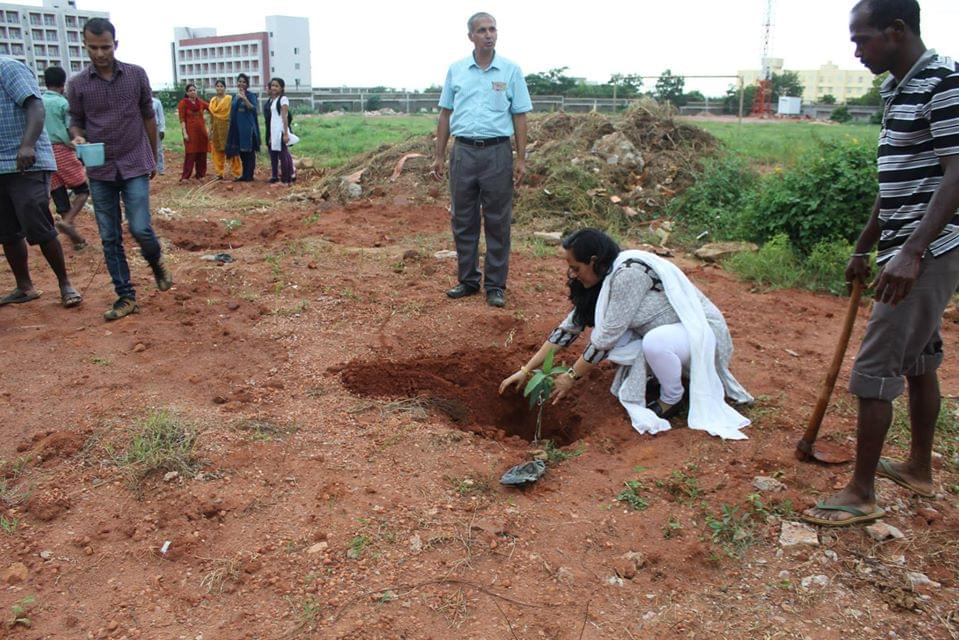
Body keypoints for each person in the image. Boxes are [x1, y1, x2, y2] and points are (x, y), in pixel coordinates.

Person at [803, 0, 959, 527]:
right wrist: (865, 243)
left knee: (875, 368)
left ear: (896, 30)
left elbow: (957, 172)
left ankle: (861, 493)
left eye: (861, 38)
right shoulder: (898, 87)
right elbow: (896, 176)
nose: (856, 51)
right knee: (920, 360)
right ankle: (918, 468)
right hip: (905, 244)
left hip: (929, 248)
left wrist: (912, 251)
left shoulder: (943, 82)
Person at [499, 228, 753, 439]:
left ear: (593, 261)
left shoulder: (628, 275)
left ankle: (672, 398)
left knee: (654, 343)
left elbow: (606, 339)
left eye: (576, 268)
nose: (572, 275)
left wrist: (570, 377)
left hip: (702, 336)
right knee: (652, 342)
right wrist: (526, 370)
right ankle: (668, 380)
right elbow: (568, 329)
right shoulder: (602, 280)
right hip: (677, 340)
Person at [68, 17, 172, 321]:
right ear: (85, 45)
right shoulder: (78, 84)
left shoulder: (136, 75)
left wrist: (152, 156)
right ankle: (126, 296)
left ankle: (155, 261)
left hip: (134, 162)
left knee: (140, 227)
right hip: (100, 169)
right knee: (110, 236)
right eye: (93, 47)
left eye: (105, 47)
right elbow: (76, 121)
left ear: (115, 44)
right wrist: (78, 136)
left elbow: (148, 116)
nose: (100, 53)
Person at [431, 12, 532, 308]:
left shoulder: (510, 70)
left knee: (498, 221)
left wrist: (521, 158)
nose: (489, 35)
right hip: (463, 152)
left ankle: (495, 285)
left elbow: (520, 116)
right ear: (471, 36)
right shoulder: (457, 70)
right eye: (482, 30)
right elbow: (445, 114)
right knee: (463, 218)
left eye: (492, 29)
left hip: (497, 153)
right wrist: (439, 155)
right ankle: (468, 280)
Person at [0, 56, 82, 308]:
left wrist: (27, 145)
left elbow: (35, 107)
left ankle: (65, 284)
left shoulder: (8, 68)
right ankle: (24, 287)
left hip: (26, 161)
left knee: (38, 223)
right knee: (7, 230)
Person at [41, 65, 89, 250]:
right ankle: (68, 221)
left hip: (44, 154)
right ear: (63, 85)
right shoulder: (62, 103)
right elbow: (71, 129)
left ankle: (77, 240)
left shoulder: (38, 102)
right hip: (62, 150)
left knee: (59, 195)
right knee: (82, 190)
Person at [225, 73, 260, 182]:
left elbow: (253, 109)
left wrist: (244, 99)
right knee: (241, 152)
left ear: (247, 84)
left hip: (247, 128)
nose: (241, 83)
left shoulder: (251, 95)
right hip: (237, 128)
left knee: (249, 152)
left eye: (244, 82)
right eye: (239, 81)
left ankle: (249, 175)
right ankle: (244, 174)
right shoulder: (235, 97)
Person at [264, 77, 294, 186]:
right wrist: (271, 135)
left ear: (281, 88)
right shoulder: (274, 100)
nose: (274, 88)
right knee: (280, 155)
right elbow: (273, 119)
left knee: (283, 155)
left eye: (276, 86)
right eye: (272, 85)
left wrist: (285, 133)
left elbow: (284, 117)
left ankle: (286, 180)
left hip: (280, 131)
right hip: (275, 132)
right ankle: (285, 179)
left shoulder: (283, 99)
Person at [208, 80, 240, 180]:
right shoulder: (213, 101)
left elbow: (234, 114)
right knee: (217, 151)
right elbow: (212, 118)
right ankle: (219, 173)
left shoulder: (229, 99)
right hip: (216, 128)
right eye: (217, 86)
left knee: (232, 150)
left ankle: (237, 173)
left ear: (225, 88)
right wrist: (210, 130)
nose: (219, 88)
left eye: (221, 86)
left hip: (228, 127)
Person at [177, 83, 209, 181]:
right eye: (190, 90)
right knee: (190, 154)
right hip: (190, 133)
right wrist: (184, 133)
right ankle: (185, 177)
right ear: (187, 93)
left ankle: (201, 175)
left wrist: (209, 122)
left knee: (202, 153)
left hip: (201, 132)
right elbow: (182, 119)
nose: (193, 92)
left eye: (194, 90)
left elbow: (212, 108)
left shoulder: (200, 102)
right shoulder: (183, 103)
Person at [151, 91, 165, 175]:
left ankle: (160, 169)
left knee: (158, 148)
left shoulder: (156, 102)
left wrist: (162, 129)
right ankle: (149, 169)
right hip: (143, 127)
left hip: (156, 127)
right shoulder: (140, 102)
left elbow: (161, 116)